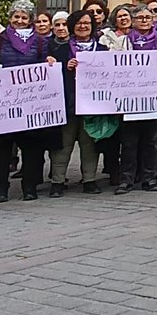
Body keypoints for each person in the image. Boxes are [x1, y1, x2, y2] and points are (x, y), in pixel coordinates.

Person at [0, 0, 60, 201]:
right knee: (1, 148)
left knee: (32, 147)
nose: (20, 20)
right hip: (4, 102)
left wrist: (49, 62)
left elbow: (44, 62)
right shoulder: (0, 40)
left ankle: (29, 188)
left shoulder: (40, 41)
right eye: (16, 16)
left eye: (24, 17)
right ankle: (1, 189)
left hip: (30, 103)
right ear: (10, 18)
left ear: (30, 20)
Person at [115, 5, 157, 194]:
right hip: (131, 99)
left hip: (155, 98)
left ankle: (149, 178)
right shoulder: (124, 42)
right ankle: (126, 179)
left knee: (152, 141)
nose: (144, 20)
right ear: (133, 21)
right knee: (129, 142)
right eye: (140, 17)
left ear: (153, 20)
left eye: (147, 17)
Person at [48, 10, 109, 195]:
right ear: (72, 26)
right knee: (63, 145)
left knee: (89, 144)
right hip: (67, 105)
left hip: (92, 106)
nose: (83, 26)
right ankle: (57, 182)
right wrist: (64, 67)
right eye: (79, 23)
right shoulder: (60, 49)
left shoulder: (102, 50)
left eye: (87, 23)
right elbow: (50, 75)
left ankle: (89, 179)